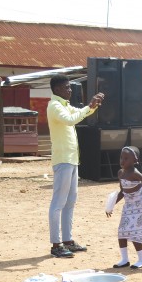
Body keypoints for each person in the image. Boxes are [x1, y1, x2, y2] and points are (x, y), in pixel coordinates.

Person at [47, 75, 103, 258]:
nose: (70, 91)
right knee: (58, 203)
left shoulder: (63, 104)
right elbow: (71, 120)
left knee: (70, 202)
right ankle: (56, 244)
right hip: (63, 160)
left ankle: (68, 240)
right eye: (66, 88)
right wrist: (88, 107)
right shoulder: (54, 106)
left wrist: (91, 106)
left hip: (71, 159)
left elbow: (79, 112)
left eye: (70, 87)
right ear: (56, 90)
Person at [107, 146, 142, 269]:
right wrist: (111, 205)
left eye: (126, 158)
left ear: (135, 161)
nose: (122, 161)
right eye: (121, 157)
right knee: (122, 232)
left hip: (140, 206)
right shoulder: (120, 173)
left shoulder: (135, 173)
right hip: (128, 207)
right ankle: (124, 259)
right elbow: (122, 192)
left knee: (135, 234)